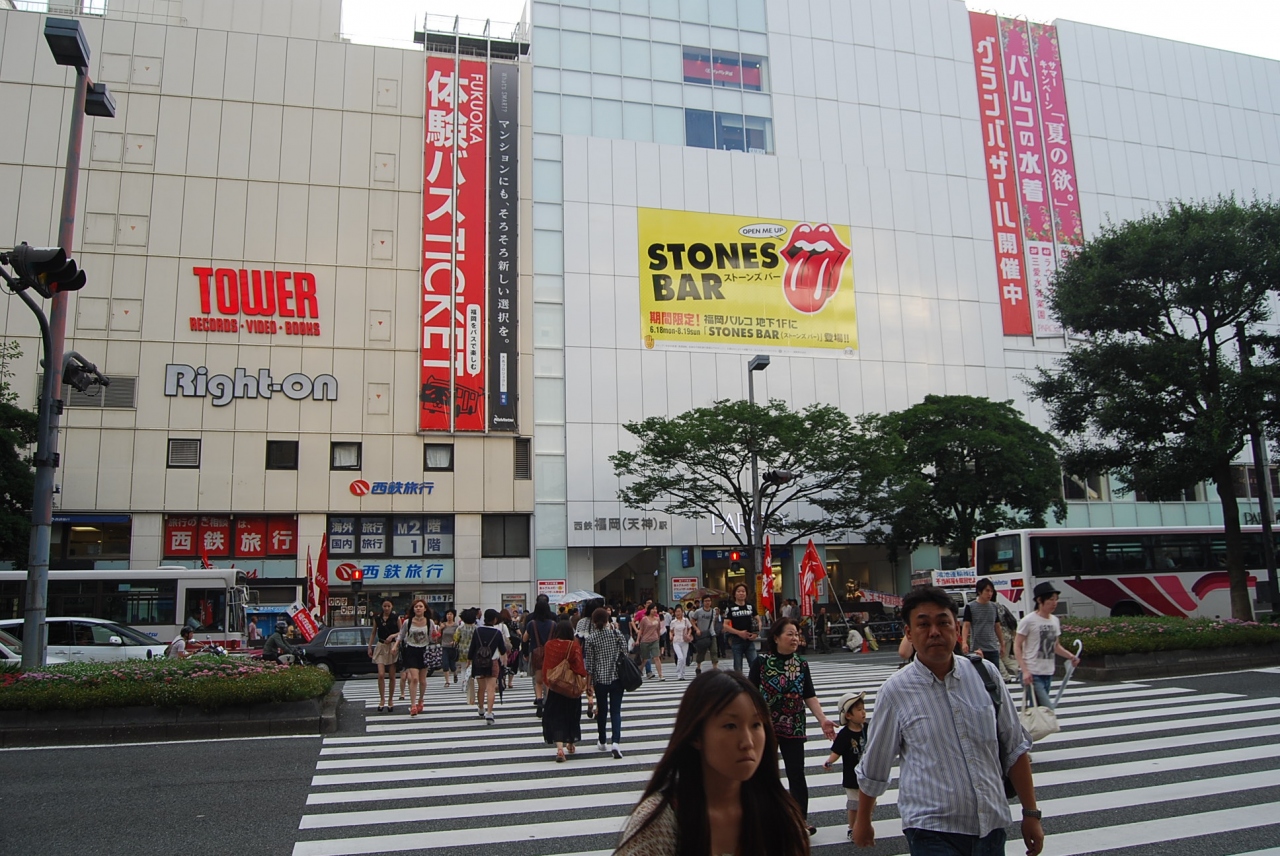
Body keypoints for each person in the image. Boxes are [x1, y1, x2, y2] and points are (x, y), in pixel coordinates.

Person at [854, 585, 1042, 856]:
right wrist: (863, 820)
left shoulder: (985, 675)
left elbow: (1015, 748)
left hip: (991, 825)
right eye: (923, 624)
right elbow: (876, 763)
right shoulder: (896, 691)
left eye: (943, 622)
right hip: (931, 829)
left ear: (956, 628)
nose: (934, 632)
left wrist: (1031, 814)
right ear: (908, 633)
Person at [614, 669, 810, 856]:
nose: (748, 742)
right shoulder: (659, 822)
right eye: (730, 726)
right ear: (696, 736)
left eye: (756, 725)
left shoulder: (781, 813)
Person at [749, 617, 837, 834]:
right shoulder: (761, 663)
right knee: (763, 773)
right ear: (776, 637)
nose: (795, 638)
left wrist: (822, 719)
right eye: (790, 634)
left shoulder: (801, 664)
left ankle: (800, 821)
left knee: (796, 773)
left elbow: (809, 695)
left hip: (794, 725)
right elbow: (748, 694)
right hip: (765, 727)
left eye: (797, 634)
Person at [1016, 582, 1082, 709]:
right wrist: (1024, 670)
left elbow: (1055, 646)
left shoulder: (1054, 620)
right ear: (1040, 600)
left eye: (1056, 599)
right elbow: (1017, 645)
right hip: (1032, 672)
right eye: (1051, 599)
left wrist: (1071, 656)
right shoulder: (1028, 620)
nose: (1054, 603)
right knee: (1047, 709)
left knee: (1038, 711)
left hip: (1047, 672)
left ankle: (1028, 729)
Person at [823, 691, 868, 842]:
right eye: (859, 710)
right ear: (848, 715)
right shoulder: (845, 734)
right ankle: (852, 827)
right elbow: (837, 751)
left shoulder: (868, 729)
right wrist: (829, 761)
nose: (863, 712)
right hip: (852, 776)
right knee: (854, 804)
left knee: (869, 803)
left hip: (868, 775)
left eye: (863, 708)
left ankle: (863, 824)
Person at [584, 606, 628, 758]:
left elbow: (589, 664)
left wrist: (588, 685)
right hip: (617, 678)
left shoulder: (591, 639)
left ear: (594, 622)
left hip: (600, 680)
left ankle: (602, 740)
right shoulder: (616, 634)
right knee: (616, 711)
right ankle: (615, 742)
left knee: (602, 710)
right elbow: (625, 653)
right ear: (608, 620)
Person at [542, 619, 588, 762]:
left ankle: (560, 748)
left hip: (556, 687)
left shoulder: (549, 645)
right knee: (571, 716)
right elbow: (579, 668)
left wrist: (549, 682)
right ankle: (571, 743)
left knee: (556, 717)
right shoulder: (573, 646)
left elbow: (546, 666)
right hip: (570, 688)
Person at [393, 600, 434, 717]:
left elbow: (432, 637)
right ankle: (413, 705)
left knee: (422, 680)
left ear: (425, 609)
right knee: (414, 679)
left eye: (421, 606)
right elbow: (401, 635)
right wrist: (395, 646)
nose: (418, 608)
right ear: (413, 609)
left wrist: (436, 635)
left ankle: (421, 700)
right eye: (416, 607)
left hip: (425, 651)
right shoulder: (408, 622)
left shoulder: (429, 622)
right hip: (411, 650)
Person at [468, 608, 507, 724]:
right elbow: (503, 650)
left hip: (478, 662)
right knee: (491, 688)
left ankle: (481, 708)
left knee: (481, 688)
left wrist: (469, 660)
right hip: (492, 662)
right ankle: (489, 713)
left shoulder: (477, 631)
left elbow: (473, 647)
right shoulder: (497, 633)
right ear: (495, 619)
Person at [962, 578, 1004, 670]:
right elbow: (966, 625)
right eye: (987, 591)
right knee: (979, 675)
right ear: (979, 591)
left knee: (994, 674)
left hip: (992, 648)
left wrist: (1002, 644)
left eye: (991, 591)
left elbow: (997, 627)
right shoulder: (970, 606)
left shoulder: (994, 607)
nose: (990, 594)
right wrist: (964, 642)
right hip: (977, 648)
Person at [524, 599, 557, 718]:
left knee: (538, 681)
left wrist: (525, 652)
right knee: (548, 681)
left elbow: (524, 639)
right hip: (550, 654)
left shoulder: (531, 624)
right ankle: (547, 702)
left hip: (536, 653)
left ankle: (539, 701)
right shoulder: (553, 624)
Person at [368, 599, 401, 712]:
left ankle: (390, 700)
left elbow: (402, 632)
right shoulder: (377, 618)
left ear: (392, 607)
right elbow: (373, 632)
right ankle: (382, 699)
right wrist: (369, 646)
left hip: (392, 646)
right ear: (382, 606)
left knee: (392, 676)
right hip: (381, 646)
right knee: (381, 674)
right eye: (384, 606)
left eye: (388, 606)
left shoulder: (396, 618)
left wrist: (393, 636)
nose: (386, 608)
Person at [726, 583, 759, 673]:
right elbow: (725, 625)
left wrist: (756, 633)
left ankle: (753, 684)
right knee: (738, 667)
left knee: (755, 665)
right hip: (736, 640)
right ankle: (739, 685)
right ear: (734, 594)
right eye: (739, 591)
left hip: (750, 640)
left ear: (746, 594)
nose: (741, 593)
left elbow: (758, 620)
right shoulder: (730, 608)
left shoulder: (751, 606)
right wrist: (738, 632)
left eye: (743, 591)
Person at [690, 595, 720, 673]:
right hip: (702, 635)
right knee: (701, 652)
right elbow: (692, 621)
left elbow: (713, 622)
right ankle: (698, 667)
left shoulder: (713, 611)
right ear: (703, 602)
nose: (707, 602)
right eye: (706, 601)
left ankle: (715, 669)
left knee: (714, 651)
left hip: (711, 634)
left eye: (709, 601)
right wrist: (697, 629)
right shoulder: (698, 611)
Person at [454, 608, 478, 705]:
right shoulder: (476, 628)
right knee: (473, 668)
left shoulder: (460, 628)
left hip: (462, 650)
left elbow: (456, 638)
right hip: (473, 650)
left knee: (463, 668)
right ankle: (472, 684)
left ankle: (463, 683)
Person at [636, 604, 664, 681]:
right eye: (653, 609)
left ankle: (660, 675)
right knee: (645, 659)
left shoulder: (657, 619)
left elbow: (658, 629)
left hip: (655, 640)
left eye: (655, 609)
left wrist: (658, 638)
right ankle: (639, 672)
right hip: (645, 641)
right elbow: (640, 630)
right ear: (649, 610)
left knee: (656, 657)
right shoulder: (644, 619)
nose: (654, 610)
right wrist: (637, 640)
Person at [668, 605, 693, 680]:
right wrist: (671, 636)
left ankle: (682, 674)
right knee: (680, 657)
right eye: (676, 612)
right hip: (676, 641)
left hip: (684, 641)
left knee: (684, 658)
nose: (678, 613)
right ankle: (678, 673)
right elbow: (671, 631)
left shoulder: (686, 620)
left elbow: (690, 628)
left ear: (682, 612)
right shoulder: (673, 622)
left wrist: (688, 634)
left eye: (679, 611)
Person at [439, 608, 459, 685]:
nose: (449, 616)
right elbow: (438, 635)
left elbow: (458, 636)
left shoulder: (456, 626)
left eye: (451, 614)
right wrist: (440, 628)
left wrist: (454, 642)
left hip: (453, 647)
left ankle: (455, 673)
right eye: (448, 614)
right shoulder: (443, 624)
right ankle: (447, 681)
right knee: (445, 664)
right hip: (444, 646)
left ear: (453, 616)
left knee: (452, 665)